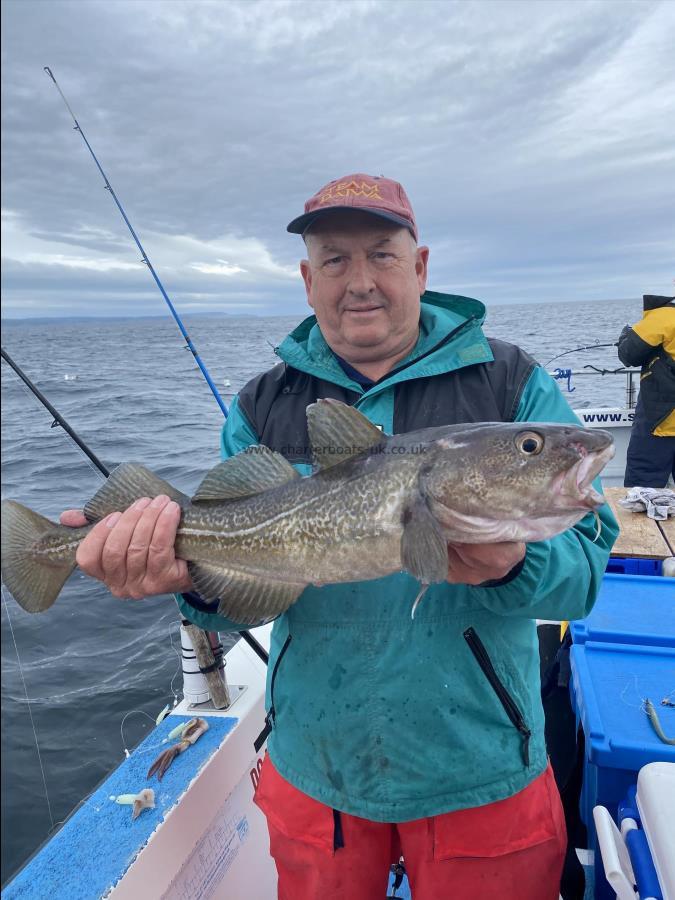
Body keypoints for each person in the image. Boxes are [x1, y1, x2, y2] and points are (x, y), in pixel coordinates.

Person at [61, 174, 618, 900]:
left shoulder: (509, 382)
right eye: (334, 260)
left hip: (480, 761)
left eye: (382, 255)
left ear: (419, 267)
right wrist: (190, 581)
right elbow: (243, 600)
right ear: (306, 279)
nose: (360, 282)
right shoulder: (262, 405)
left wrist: (513, 564)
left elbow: (583, 577)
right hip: (318, 764)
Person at [617, 294, 675, 487]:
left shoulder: (664, 317)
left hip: (661, 419)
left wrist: (626, 335)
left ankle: (644, 517)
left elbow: (629, 354)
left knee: (644, 483)